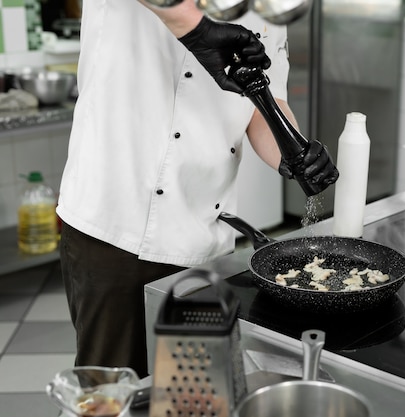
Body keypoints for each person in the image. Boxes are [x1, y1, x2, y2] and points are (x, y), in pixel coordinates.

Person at [57, 0, 338, 378]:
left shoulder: (271, 7)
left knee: (189, 393)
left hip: (205, 235)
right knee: (112, 390)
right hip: (115, 220)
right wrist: (196, 26)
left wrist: (292, 151)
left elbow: (262, 102)